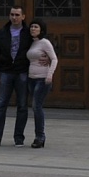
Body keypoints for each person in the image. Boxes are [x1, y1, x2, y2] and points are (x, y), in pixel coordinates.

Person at [0, 6, 33, 147]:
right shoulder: (1, 33)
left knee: (22, 106)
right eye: (12, 14)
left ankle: (19, 138)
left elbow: (40, 47)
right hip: (5, 72)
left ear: (23, 16)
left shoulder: (29, 33)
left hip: (22, 72)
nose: (14, 17)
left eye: (17, 14)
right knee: (0, 106)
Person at [26, 19, 59, 149]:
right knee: (35, 106)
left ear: (42, 30)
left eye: (36, 27)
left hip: (42, 78)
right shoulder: (31, 43)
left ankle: (40, 137)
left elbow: (54, 59)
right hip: (31, 78)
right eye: (32, 26)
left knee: (36, 106)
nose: (33, 29)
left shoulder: (45, 42)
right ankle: (39, 136)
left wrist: (50, 74)